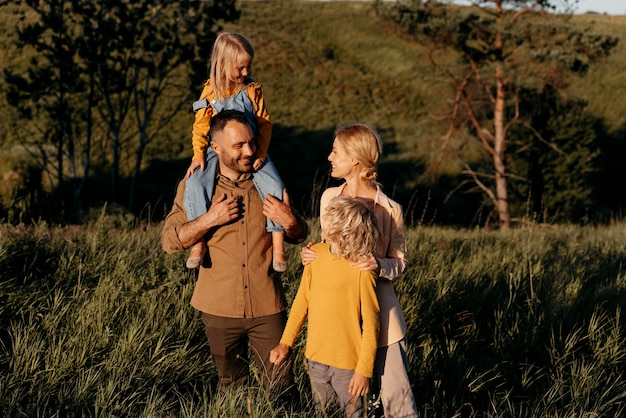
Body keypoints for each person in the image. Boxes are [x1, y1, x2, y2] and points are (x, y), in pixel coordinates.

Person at [162, 110, 308, 399]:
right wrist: (209, 219)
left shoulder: (268, 182)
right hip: (218, 308)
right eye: (239, 145)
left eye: (251, 142)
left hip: (267, 307)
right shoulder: (194, 186)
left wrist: (290, 221)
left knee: (282, 388)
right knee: (231, 388)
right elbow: (169, 241)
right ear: (215, 148)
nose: (250, 150)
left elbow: (299, 233)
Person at [301, 123, 419, 417]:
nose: (329, 157)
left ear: (355, 159)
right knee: (341, 406)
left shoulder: (390, 209)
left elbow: (400, 262)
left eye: (335, 151)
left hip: (381, 319)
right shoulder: (329, 198)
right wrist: (312, 253)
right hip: (337, 323)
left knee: (398, 404)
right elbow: (331, 248)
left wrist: (378, 264)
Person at [183, 32, 288, 272]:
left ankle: (279, 245)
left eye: (247, 67)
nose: (244, 73)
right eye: (239, 68)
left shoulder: (253, 90)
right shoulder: (209, 94)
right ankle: (198, 243)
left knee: (275, 184)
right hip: (217, 150)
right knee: (195, 183)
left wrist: (260, 152)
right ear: (221, 65)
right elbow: (200, 127)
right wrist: (198, 154)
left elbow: (264, 123)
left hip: (252, 146)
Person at [270, 196, 381, 418]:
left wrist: (364, 371)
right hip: (315, 359)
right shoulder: (316, 256)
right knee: (322, 413)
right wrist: (285, 343)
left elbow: (372, 325)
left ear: (342, 229)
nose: (322, 223)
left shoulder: (362, 270)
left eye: (327, 220)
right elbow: (301, 303)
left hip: (349, 366)